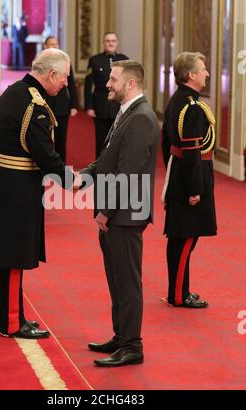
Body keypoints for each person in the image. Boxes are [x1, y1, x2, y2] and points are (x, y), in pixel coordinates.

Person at [0, 48, 74, 339]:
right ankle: (12, 322)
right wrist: (72, 180)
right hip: (18, 190)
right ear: (51, 74)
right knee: (14, 255)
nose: (65, 84)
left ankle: (5, 315)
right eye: (64, 78)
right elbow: (45, 154)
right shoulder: (34, 105)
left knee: (6, 256)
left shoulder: (13, 93)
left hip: (3, 184)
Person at [79, 60, 159, 367]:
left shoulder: (141, 118)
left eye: (113, 79)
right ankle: (121, 336)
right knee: (117, 279)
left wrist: (106, 212)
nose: (107, 84)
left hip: (125, 216)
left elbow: (127, 175)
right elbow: (106, 161)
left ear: (130, 84)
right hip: (117, 215)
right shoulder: (127, 113)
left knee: (128, 282)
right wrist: (81, 177)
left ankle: (132, 346)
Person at [161, 51, 217, 308]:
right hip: (191, 176)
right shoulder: (191, 107)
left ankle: (180, 289)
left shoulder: (177, 100)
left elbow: (165, 143)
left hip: (179, 171)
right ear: (191, 75)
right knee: (185, 238)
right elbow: (193, 151)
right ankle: (178, 295)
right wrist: (195, 188)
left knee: (182, 238)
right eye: (203, 69)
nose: (206, 73)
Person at [84, 32, 128, 158]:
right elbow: (88, 85)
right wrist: (89, 106)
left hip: (119, 105)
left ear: (117, 43)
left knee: (118, 138)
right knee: (101, 139)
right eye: (108, 41)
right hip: (100, 105)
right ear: (103, 43)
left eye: (113, 41)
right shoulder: (94, 60)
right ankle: (99, 167)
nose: (110, 43)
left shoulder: (124, 59)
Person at [43, 36, 78, 162]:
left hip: (61, 105)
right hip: (44, 104)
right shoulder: (39, 62)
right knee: (44, 138)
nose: (53, 46)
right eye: (50, 44)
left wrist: (74, 105)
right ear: (45, 46)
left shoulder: (65, 61)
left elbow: (72, 83)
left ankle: (61, 168)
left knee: (61, 139)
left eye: (56, 44)